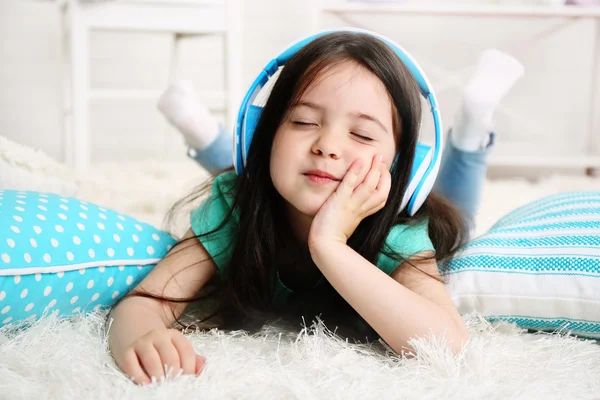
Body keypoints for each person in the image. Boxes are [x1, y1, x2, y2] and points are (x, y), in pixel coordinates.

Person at [108, 31, 524, 385]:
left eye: (361, 134)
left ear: (400, 168)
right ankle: (205, 134)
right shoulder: (234, 207)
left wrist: (329, 245)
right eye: (304, 122)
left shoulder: (402, 228)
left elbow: (447, 344)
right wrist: (140, 334)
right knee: (246, 173)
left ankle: (471, 132)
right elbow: (144, 304)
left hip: (433, 210)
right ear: (264, 133)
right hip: (257, 174)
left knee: (462, 215)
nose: (327, 145)